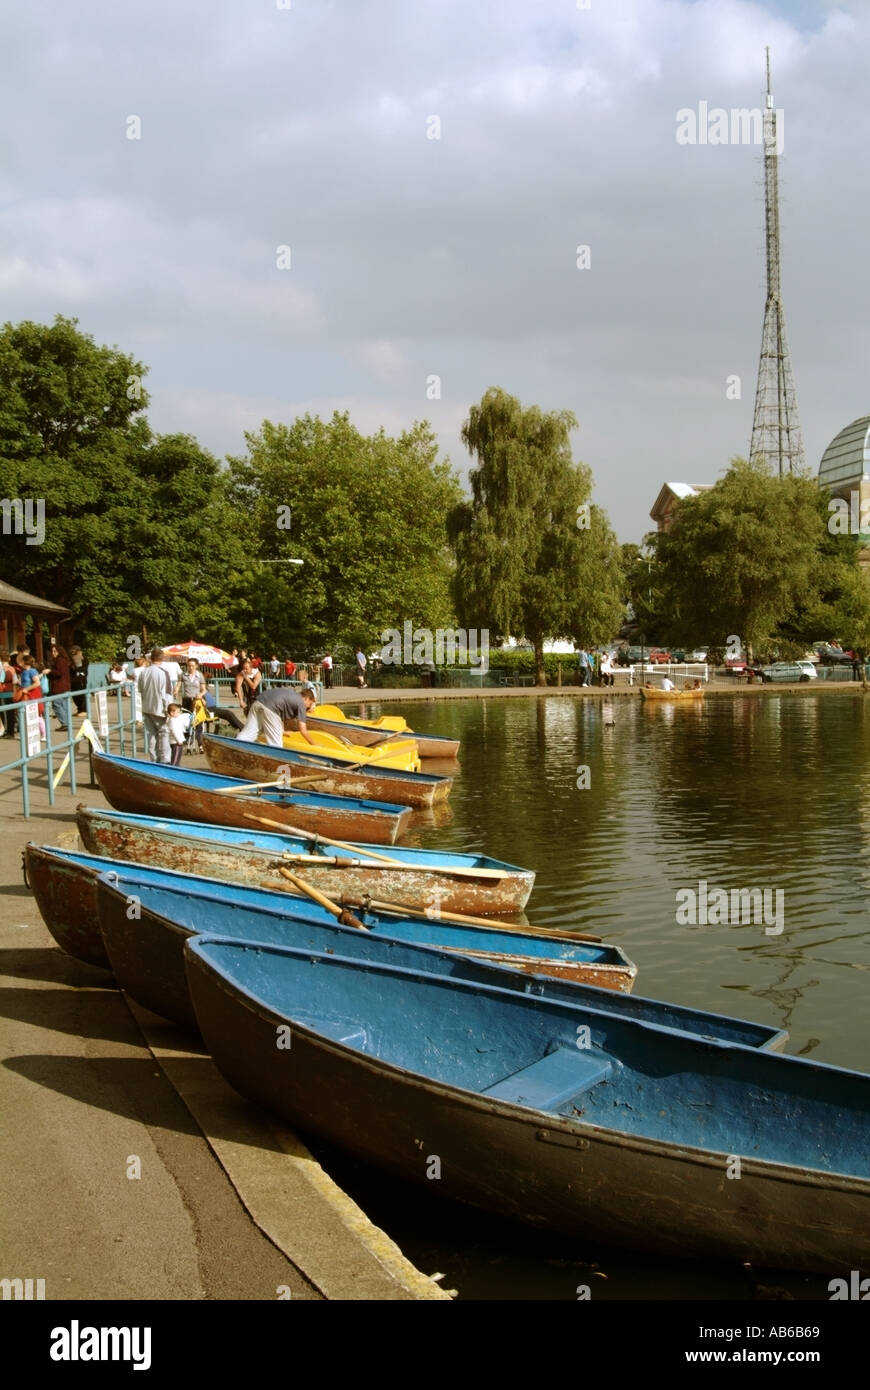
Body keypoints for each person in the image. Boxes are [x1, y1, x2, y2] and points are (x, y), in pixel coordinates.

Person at [237, 684, 317, 746]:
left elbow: (280, 716)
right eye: (310, 704)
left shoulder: (291, 695)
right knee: (275, 743)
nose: (308, 707)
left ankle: (236, 747)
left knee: (248, 733)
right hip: (271, 709)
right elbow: (303, 730)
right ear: (306, 698)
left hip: (258, 702)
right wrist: (315, 745)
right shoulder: (301, 703)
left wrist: (282, 731)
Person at [137, 647, 174, 763]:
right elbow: (167, 693)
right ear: (162, 658)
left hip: (147, 707)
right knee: (163, 733)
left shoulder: (143, 672)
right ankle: (165, 759)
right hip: (160, 708)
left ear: (151, 658)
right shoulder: (164, 673)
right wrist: (169, 709)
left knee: (151, 735)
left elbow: (140, 689)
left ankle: (153, 759)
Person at [179, 658, 207, 749]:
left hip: (196, 700)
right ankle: (188, 740)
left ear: (196, 666)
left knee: (198, 720)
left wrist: (201, 695)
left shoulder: (199, 675)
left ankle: (199, 741)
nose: (190, 668)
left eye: (192, 666)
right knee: (186, 720)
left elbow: (204, 689)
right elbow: (178, 684)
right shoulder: (184, 675)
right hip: (187, 699)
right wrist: (175, 690)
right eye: (188, 666)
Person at [45, 640, 72, 731]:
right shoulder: (64, 660)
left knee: (57, 705)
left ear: (59, 652)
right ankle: (67, 723)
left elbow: (60, 673)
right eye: (52, 651)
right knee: (64, 705)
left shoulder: (59, 660)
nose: (53, 653)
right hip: (64, 686)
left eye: (54, 651)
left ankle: (65, 723)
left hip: (59, 686)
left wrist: (49, 671)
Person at [69, 645, 89, 714]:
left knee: (81, 695)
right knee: (75, 696)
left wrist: (77, 661)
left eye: (74, 651)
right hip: (73, 680)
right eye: (71, 651)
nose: (72, 652)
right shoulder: (70, 660)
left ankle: (83, 710)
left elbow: (82, 669)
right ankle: (79, 709)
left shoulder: (83, 659)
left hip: (81, 680)